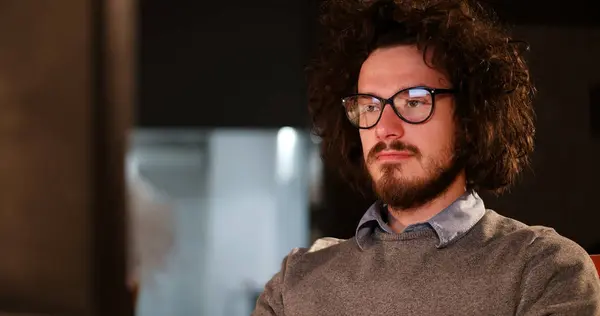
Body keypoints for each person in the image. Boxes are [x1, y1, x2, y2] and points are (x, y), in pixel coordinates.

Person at [252, 0, 600, 315]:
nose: (385, 128)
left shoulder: (542, 270)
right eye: (370, 106)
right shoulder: (295, 281)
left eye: (414, 102)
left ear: (469, 118)